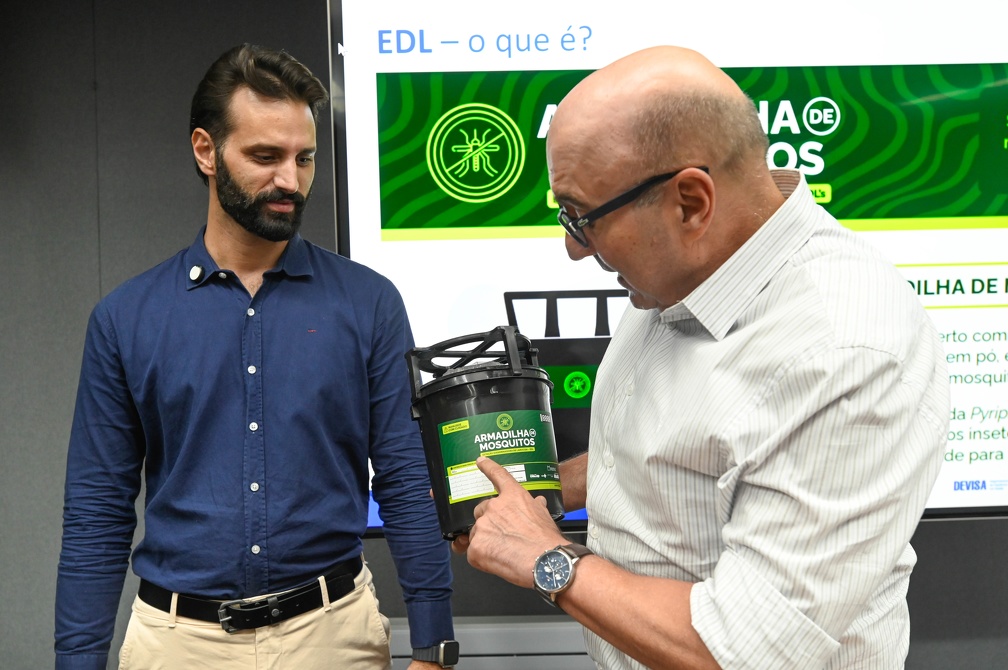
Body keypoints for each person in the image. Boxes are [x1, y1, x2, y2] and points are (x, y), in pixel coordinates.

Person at [454, 45, 949, 669]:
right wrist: (540, 485)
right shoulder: (682, 269)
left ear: (690, 202)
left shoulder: (841, 352)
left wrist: (544, 556)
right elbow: (676, 463)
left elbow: (745, 649)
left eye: (582, 218)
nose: (574, 248)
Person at [55, 44, 456, 670]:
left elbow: (405, 479)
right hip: (177, 644)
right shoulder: (125, 318)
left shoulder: (369, 303)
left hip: (333, 637)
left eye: (304, 158)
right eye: (266, 157)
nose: (290, 181)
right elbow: (98, 510)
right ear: (206, 151)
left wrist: (434, 645)